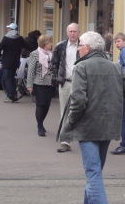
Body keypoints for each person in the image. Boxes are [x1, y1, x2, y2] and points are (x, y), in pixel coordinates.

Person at [58, 31, 125, 204]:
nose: (78, 49)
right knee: (95, 172)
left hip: (87, 127)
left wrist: (70, 122)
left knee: (93, 173)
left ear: (88, 48)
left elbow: (78, 100)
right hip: (108, 126)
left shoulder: (81, 67)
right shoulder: (115, 67)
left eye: (80, 45)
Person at [51, 22, 81, 152]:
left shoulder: (83, 46)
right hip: (65, 83)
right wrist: (57, 78)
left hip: (80, 83)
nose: (73, 34)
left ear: (79, 33)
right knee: (64, 112)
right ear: (67, 33)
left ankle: (84, 139)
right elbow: (54, 63)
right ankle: (65, 141)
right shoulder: (60, 47)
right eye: (71, 31)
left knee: (81, 111)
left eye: (75, 31)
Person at [26, 34, 55, 137]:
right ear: (45, 43)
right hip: (39, 83)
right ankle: (40, 126)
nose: (52, 44)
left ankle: (41, 122)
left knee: (47, 105)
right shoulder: (35, 54)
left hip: (50, 83)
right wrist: (29, 85)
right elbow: (31, 70)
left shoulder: (51, 54)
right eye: (50, 42)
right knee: (40, 104)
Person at [0, 23, 30, 103]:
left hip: (7, 61)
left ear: (11, 29)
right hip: (15, 61)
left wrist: (0, 55)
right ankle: (14, 95)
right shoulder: (20, 38)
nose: (8, 30)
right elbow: (27, 46)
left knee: (8, 79)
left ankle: (10, 96)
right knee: (12, 78)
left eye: (8, 28)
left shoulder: (6, 38)